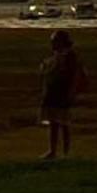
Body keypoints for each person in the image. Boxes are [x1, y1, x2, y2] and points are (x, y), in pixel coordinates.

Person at [38, 29, 86, 160]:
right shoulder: (57, 56)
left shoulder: (69, 56)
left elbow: (75, 74)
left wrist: (72, 91)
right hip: (53, 91)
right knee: (54, 122)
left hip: (62, 91)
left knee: (63, 122)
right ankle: (53, 150)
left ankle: (65, 151)